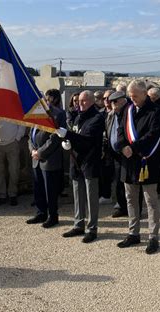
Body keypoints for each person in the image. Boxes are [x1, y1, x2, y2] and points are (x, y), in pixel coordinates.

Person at [116, 80, 160, 254]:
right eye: (130, 96)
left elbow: (153, 134)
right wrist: (122, 146)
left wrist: (133, 148)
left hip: (146, 161)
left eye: (135, 95)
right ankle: (133, 233)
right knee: (131, 199)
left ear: (144, 94)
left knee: (150, 201)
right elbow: (120, 131)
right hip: (128, 162)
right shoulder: (127, 110)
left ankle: (153, 236)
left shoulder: (156, 111)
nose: (132, 98)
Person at [56, 90, 105, 243]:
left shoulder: (97, 118)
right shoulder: (77, 117)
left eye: (84, 101)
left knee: (91, 197)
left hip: (90, 162)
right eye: (78, 101)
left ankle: (92, 228)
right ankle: (78, 224)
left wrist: (68, 135)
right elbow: (76, 134)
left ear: (91, 101)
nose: (80, 103)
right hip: (76, 160)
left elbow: (87, 140)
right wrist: (67, 143)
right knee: (78, 195)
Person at [26, 99, 67, 228]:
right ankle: (41, 213)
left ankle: (53, 216)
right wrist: (32, 150)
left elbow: (55, 137)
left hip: (48, 158)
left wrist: (40, 152)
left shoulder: (58, 114)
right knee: (38, 188)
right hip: (36, 158)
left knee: (50, 190)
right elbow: (30, 136)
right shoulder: (35, 113)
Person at [0, 118, 25, 206]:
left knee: (14, 170)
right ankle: (1, 195)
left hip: (12, 143)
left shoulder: (15, 105)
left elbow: (22, 122)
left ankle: (13, 194)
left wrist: (17, 137)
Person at [98, 89, 115, 205]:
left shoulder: (118, 113)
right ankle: (105, 194)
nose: (106, 100)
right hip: (102, 148)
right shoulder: (100, 113)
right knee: (104, 172)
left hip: (114, 147)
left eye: (108, 98)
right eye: (104, 98)